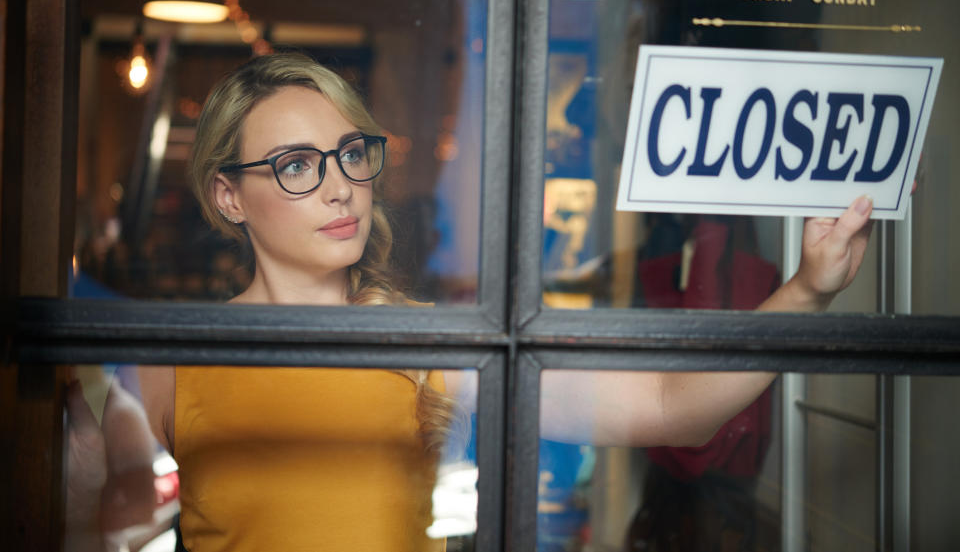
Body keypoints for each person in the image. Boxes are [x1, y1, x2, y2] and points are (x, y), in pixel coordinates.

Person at [66, 52, 874, 551]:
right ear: (229, 197)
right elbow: (97, 518)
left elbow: (675, 407)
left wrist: (805, 289)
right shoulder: (169, 357)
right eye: (295, 165)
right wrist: (92, 488)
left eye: (350, 153)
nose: (341, 185)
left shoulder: (428, 346)